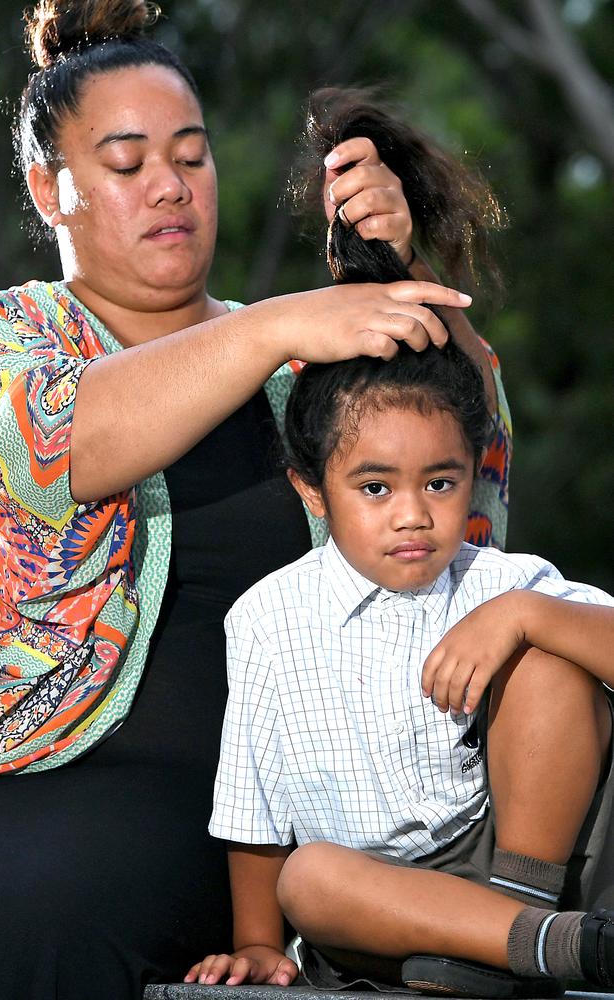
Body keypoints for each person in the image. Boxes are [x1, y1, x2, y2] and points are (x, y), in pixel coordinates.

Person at [0, 7, 509, 1000]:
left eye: (191, 156)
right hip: (42, 781)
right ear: (50, 189)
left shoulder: (300, 354)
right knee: (25, 905)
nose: (169, 187)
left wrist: (400, 277)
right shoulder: (1, 341)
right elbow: (44, 446)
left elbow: (470, 476)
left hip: (270, 815)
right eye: (127, 166)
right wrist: (284, 322)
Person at [189, 121, 614, 997]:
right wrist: (258, 943)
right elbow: (253, 814)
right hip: (382, 911)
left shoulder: (496, 582)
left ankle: (513, 937)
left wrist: (528, 618)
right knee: (310, 877)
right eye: (376, 488)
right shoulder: (269, 619)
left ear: (475, 473)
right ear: (314, 491)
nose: (415, 516)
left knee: (551, 664)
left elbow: (561, 637)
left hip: (514, 865)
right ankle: (526, 949)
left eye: (443, 482)